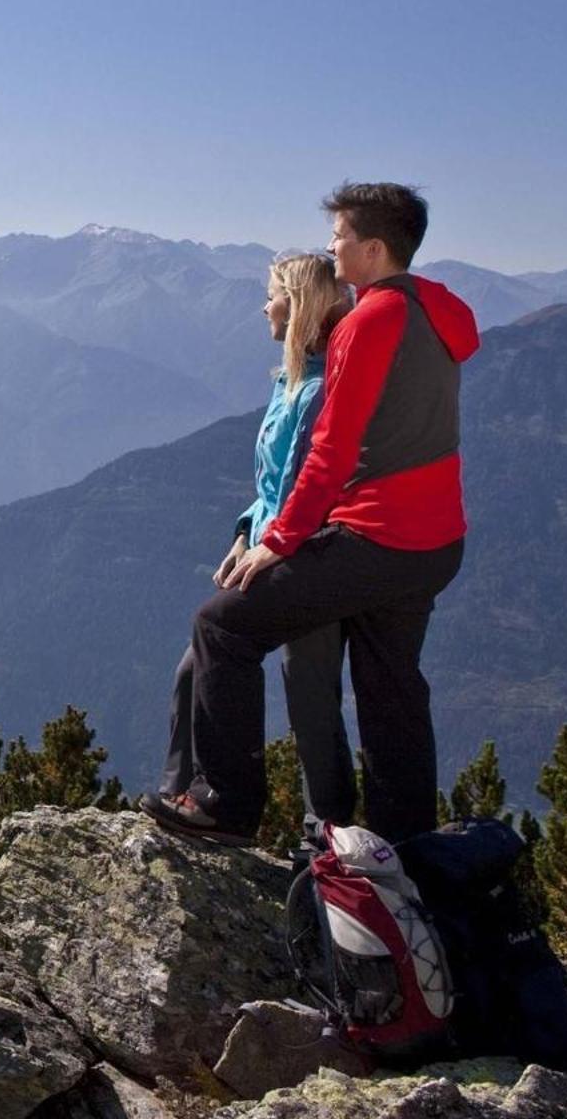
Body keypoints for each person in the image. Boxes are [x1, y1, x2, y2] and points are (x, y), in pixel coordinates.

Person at [144, 182, 479, 847]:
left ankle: (225, 803)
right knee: (391, 689)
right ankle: (401, 849)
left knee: (222, 628)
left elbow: (332, 448)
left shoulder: (370, 321)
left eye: (341, 237)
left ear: (374, 248)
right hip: (437, 540)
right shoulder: (439, 309)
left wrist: (280, 541)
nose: (333, 246)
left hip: (376, 535)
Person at [157, 251, 355, 831]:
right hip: (274, 544)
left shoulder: (317, 390)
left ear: (295, 306)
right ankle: (184, 795)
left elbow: (304, 490)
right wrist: (246, 531)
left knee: (310, 694)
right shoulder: (294, 381)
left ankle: (326, 831)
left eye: (270, 295)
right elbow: (272, 487)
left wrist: (262, 547)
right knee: (201, 669)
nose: (263, 306)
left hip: (307, 555)